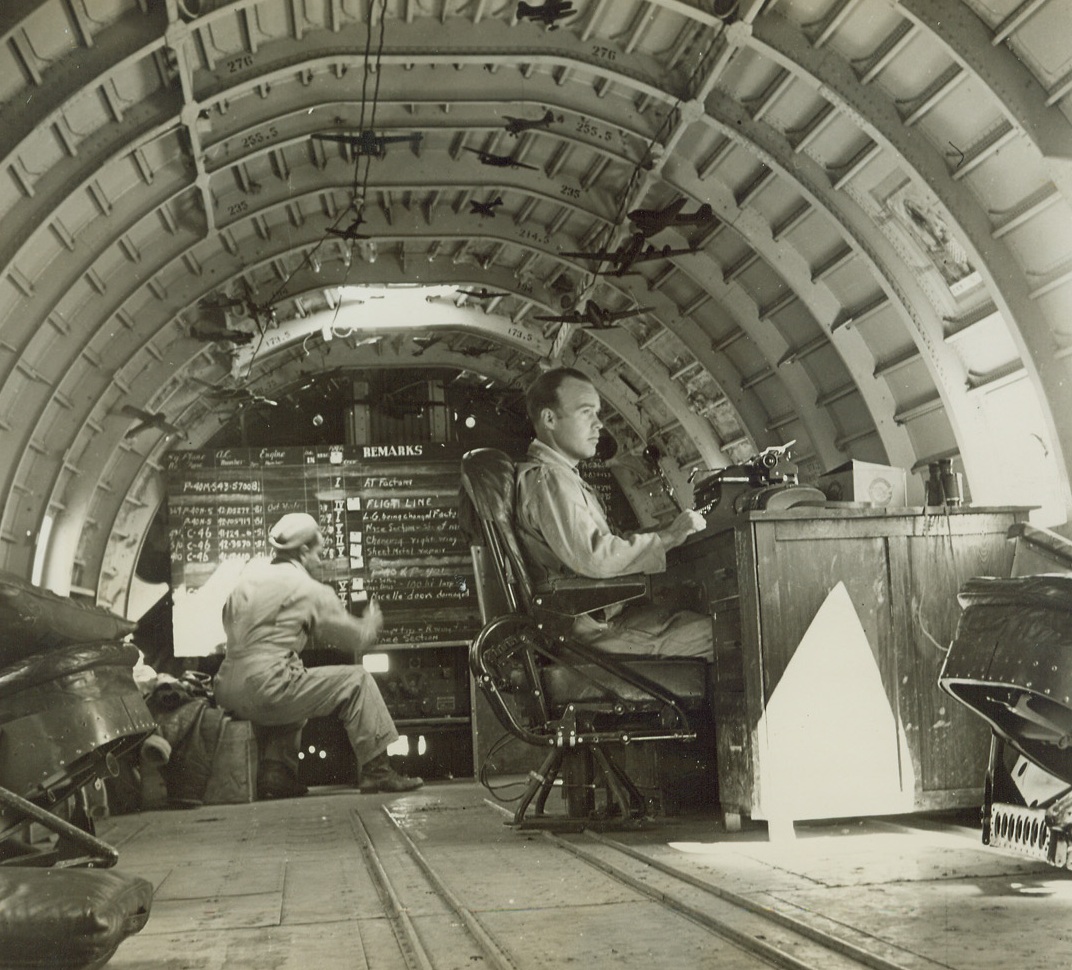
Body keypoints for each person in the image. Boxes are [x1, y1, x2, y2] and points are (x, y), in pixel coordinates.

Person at [213, 512, 423, 799]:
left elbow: (228, 623)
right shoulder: (308, 589)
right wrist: (372, 622)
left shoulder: (245, 582)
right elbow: (355, 639)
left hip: (226, 689)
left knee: (294, 676)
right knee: (357, 681)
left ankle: (276, 776)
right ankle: (378, 772)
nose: (322, 560)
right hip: (266, 689)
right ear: (302, 551)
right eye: (319, 552)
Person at [515, 367, 714, 659]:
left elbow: (599, 544)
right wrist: (669, 537)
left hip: (589, 622)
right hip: (592, 631)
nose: (599, 425)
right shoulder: (551, 479)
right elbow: (595, 557)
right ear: (549, 419)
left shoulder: (558, 477)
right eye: (586, 413)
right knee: (725, 632)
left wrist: (664, 533)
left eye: (597, 413)